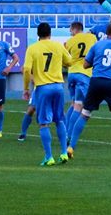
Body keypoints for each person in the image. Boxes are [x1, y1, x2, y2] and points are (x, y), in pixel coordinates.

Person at [68, 22, 111, 162]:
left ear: (106, 33)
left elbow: (85, 64)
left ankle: (71, 147)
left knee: (84, 115)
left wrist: (97, 62)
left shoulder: (97, 45)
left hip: (96, 81)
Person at [22, 22, 73, 166]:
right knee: (59, 120)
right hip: (58, 86)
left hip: (43, 87)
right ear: (50, 33)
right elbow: (69, 62)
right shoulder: (58, 46)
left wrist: (26, 88)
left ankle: (49, 157)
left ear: (38, 34)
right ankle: (64, 153)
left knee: (44, 123)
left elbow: (27, 69)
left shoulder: (32, 48)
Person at [64, 20, 98, 142]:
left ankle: (64, 130)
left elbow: (65, 59)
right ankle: (68, 134)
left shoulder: (69, 41)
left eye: (70, 30)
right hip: (84, 74)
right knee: (79, 106)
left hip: (72, 74)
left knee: (74, 104)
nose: (70, 32)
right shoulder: (92, 37)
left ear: (74, 29)